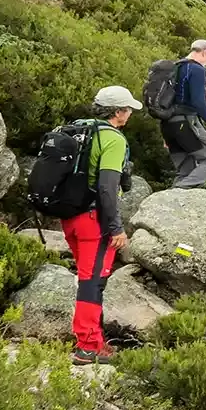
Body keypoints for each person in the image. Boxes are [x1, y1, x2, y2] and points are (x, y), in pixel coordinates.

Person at [66, 85, 141, 365]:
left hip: (70, 217)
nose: (130, 113)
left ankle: (95, 341)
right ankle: (87, 347)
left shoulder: (78, 130)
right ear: (118, 112)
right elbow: (108, 188)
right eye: (128, 109)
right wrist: (116, 228)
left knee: (90, 279)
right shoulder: (113, 139)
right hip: (94, 221)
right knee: (92, 282)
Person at [161, 39, 206, 188]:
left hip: (168, 125)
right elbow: (198, 102)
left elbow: (166, 101)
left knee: (185, 169)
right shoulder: (196, 69)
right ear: (205, 53)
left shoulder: (175, 67)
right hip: (185, 123)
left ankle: (171, 200)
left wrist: (166, 136)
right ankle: (179, 190)